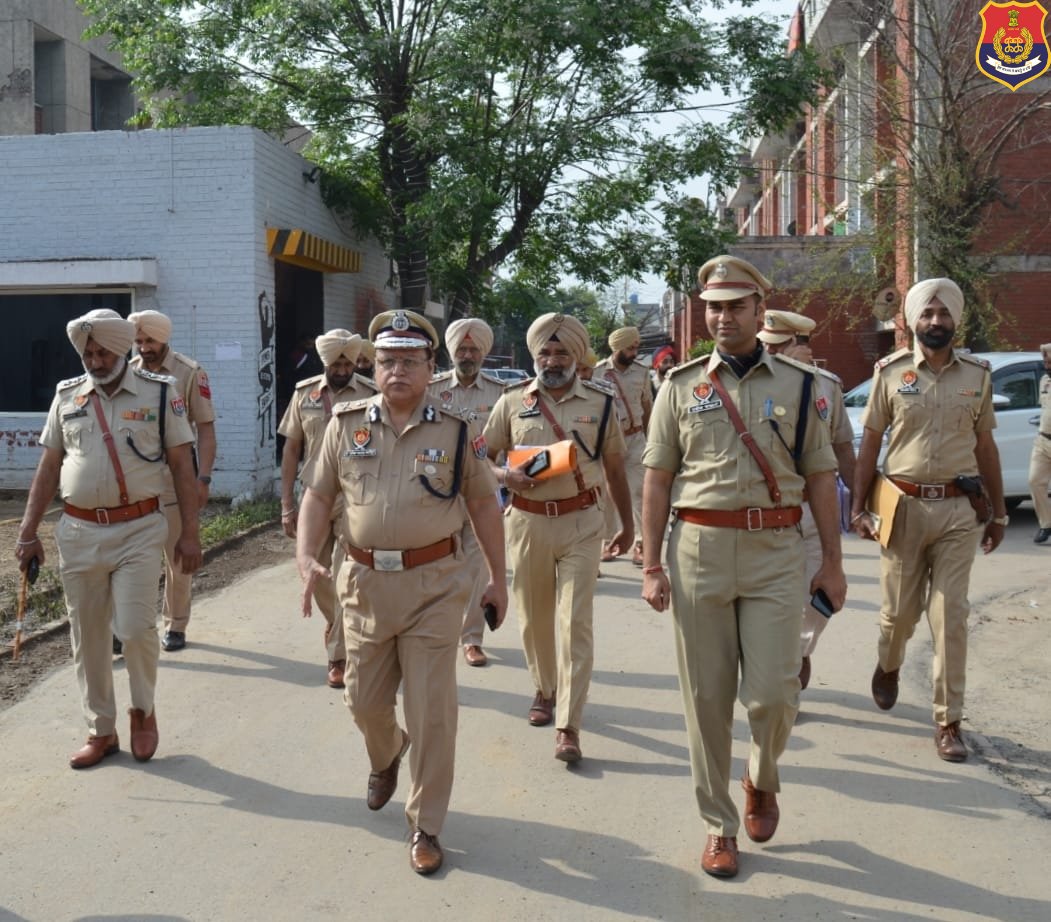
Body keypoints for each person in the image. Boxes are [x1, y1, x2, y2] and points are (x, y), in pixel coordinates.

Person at [641, 256, 846, 880]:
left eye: (735, 306)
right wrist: (650, 563)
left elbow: (821, 475)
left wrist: (833, 563)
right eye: (714, 307)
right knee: (705, 699)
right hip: (699, 548)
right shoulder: (677, 387)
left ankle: (761, 776)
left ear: (761, 311)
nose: (723, 317)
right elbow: (657, 478)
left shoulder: (801, 384)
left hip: (777, 554)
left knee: (775, 693)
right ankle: (718, 825)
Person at [295, 309, 507, 876]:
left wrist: (497, 577)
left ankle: (426, 824)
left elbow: (485, 504)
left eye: (409, 361)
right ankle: (387, 752)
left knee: (432, 711)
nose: (396, 371)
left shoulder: (457, 431)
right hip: (363, 585)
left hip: (435, 586)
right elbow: (318, 495)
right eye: (386, 361)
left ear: (430, 367)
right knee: (363, 701)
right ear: (375, 365)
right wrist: (306, 553)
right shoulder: (344, 424)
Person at [14, 309, 203, 769]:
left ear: (121, 351)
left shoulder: (162, 395)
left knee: (137, 630)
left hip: (139, 530)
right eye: (88, 353)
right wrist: (28, 530)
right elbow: (48, 467)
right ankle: (101, 730)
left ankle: (143, 709)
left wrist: (191, 536)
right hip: (78, 533)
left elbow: (182, 466)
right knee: (88, 636)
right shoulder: (67, 397)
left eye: (103, 352)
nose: (94, 361)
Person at [852, 278, 1008, 764]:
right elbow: (872, 444)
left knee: (950, 617)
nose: (936, 322)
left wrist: (999, 512)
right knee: (899, 616)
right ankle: (888, 662)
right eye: (927, 314)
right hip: (903, 508)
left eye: (944, 315)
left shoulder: (978, 376)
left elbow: (985, 446)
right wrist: (859, 507)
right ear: (912, 321)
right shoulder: (890, 374)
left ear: (955, 321)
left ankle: (948, 721)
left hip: (960, 511)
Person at [484, 313, 633, 763]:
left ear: (577, 357)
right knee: (533, 619)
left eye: (562, 352)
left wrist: (628, 525)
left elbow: (615, 468)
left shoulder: (601, 402)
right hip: (527, 523)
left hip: (583, 525)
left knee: (574, 623)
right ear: (534, 356)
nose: (552, 360)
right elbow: (480, 459)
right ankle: (544, 688)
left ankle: (569, 723)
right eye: (545, 353)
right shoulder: (510, 403)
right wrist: (504, 474)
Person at [757, 310, 856, 690]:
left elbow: (845, 450)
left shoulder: (826, 387)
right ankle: (780, 676)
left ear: (800, 345)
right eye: (765, 344)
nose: (768, 351)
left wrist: (863, 505)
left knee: (818, 595)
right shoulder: (755, 383)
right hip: (767, 509)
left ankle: (798, 654)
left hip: (815, 511)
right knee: (766, 602)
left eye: (778, 345)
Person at [278, 329, 374, 688]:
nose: (343, 367)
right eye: (337, 362)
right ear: (325, 362)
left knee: (348, 573)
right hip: (314, 496)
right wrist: (287, 504)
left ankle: (338, 655)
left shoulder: (370, 394)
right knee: (315, 575)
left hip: (354, 495)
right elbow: (290, 451)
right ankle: (338, 626)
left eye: (348, 361)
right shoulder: (305, 394)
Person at [128, 310, 216, 652]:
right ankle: (129, 626)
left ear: (163, 337)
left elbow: (205, 429)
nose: (143, 348)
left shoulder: (189, 373)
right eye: (138, 341)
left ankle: (176, 625)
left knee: (178, 556)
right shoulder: (128, 373)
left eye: (149, 340)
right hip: (135, 481)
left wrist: (203, 478)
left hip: (175, 480)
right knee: (132, 556)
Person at [428, 318, 506, 667]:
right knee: (438, 565)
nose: (468, 354)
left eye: (474, 349)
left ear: (484, 353)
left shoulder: (500, 393)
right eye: (462, 348)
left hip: (484, 492)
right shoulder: (430, 389)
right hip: (437, 492)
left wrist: (509, 485)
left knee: (476, 567)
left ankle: (472, 638)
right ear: (451, 351)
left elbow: (509, 443)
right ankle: (435, 631)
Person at [597, 326, 652, 566]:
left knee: (639, 492)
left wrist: (650, 437)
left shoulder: (642, 372)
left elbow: (647, 404)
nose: (634, 352)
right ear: (617, 347)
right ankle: (607, 543)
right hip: (608, 443)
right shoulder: (598, 372)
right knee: (608, 495)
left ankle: (640, 544)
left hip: (636, 438)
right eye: (630, 347)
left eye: (636, 347)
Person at [1027, 342, 1051, 544]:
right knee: (1035, 481)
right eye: (1044, 359)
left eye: (1048, 358)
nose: (1046, 362)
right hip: (1043, 440)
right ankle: (1046, 524)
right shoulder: (1044, 380)